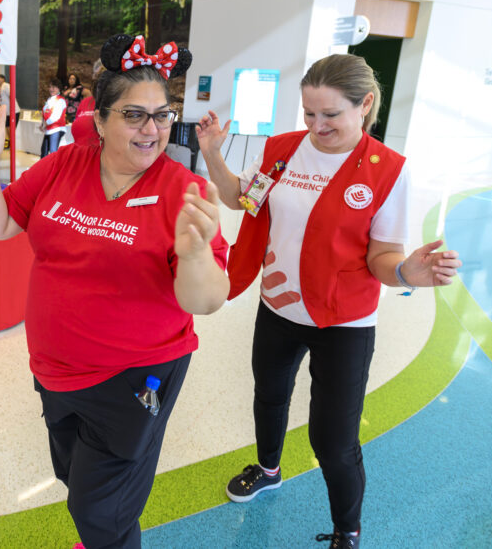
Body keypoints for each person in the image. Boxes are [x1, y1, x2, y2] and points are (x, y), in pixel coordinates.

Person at [0, 33, 230, 549]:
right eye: (134, 115)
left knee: (100, 506)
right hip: (55, 371)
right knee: (75, 476)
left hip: (134, 375)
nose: (152, 129)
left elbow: (205, 301)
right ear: (99, 120)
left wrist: (194, 255)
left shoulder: (179, 189)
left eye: (162, 114)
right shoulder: (63, 165)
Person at [196, 54, 462, 549]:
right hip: (277, 307)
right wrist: (213, 152)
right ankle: (269, 468)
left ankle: (347, 529)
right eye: (309, 113)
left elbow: (384, 256)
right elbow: (243, 200)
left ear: (364, 106)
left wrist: (408, 273)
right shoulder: (282, 150)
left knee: (333, 442)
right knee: (269, 396)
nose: (317, 126)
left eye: (331, 115)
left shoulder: (387, 171)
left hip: (344, 321)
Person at [40, 78, 67, 157]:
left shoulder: (60, 100)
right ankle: (43, 168)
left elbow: (56, 116)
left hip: (57, 129)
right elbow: (44, 112)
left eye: (54, 87)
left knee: (53, 152)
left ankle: (55, 169)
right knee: (44, 152)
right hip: (49, 129)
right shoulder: (49, 99)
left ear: (59, 88)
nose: (51, 89)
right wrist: (42, 124)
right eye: (50, 87)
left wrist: (46, 123)